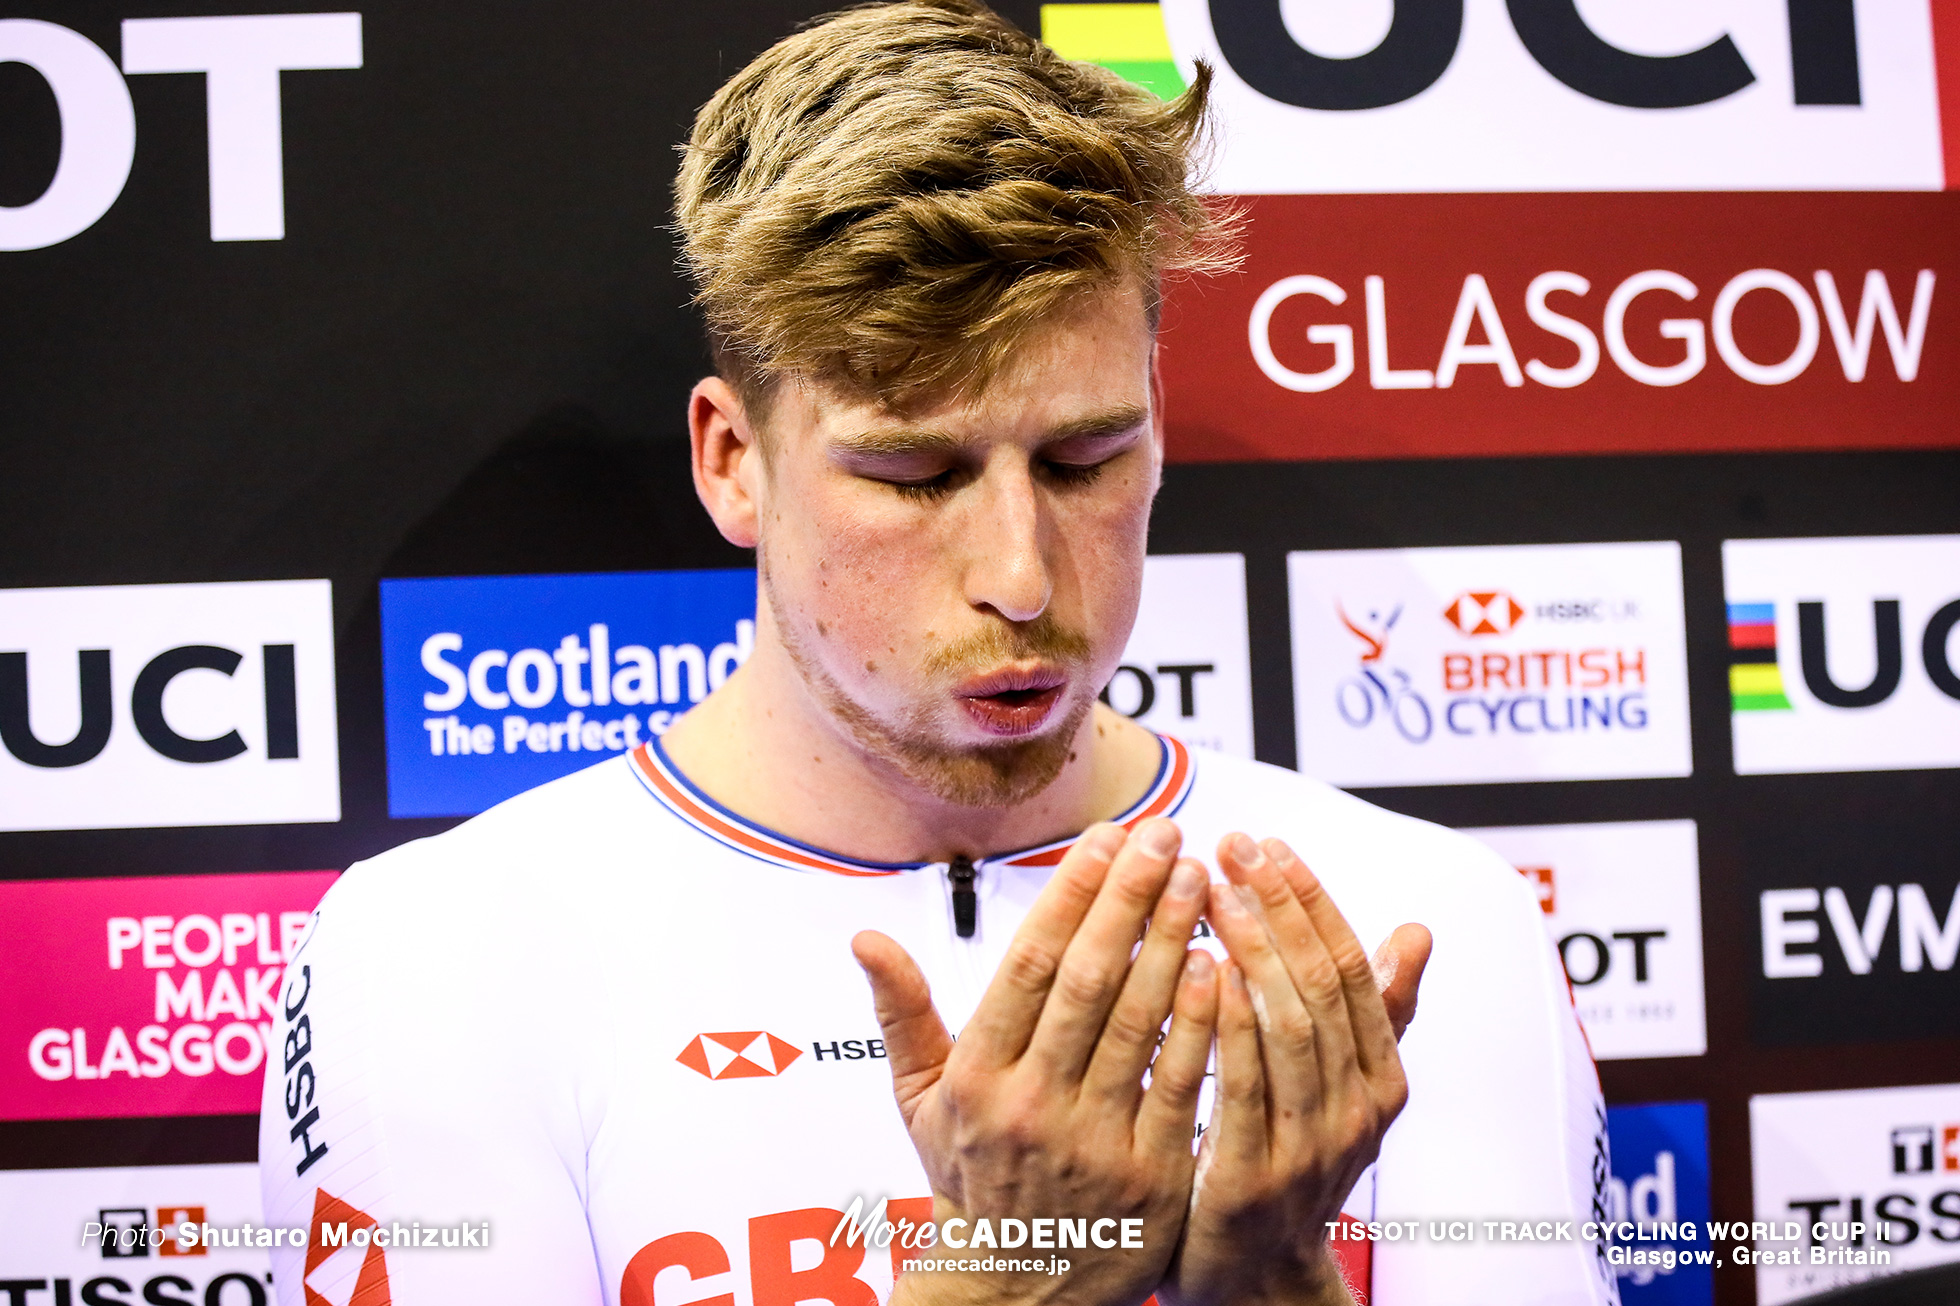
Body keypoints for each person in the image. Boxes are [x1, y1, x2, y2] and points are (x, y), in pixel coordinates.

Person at [259, 3, 1615, 1303]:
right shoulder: (438, 955)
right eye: (914, 474)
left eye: (1086, 458)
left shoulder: (1419, 922)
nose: (1021, 577)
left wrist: (1266, 1283)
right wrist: (999, 1282)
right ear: (734, 463)